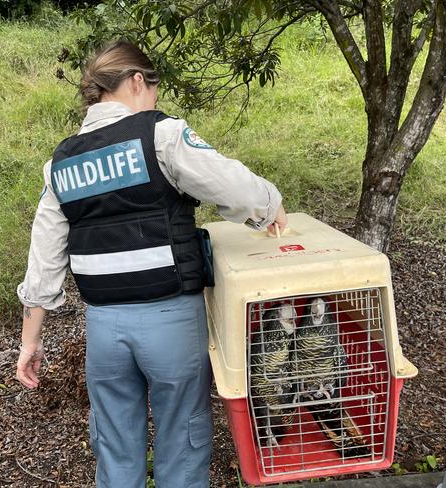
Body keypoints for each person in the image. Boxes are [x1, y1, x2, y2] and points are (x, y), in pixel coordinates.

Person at [15, 40, 287, 488]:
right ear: (138, 81)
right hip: (171, 322)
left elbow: (43, 260)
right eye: (154, 87)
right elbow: (234, 187)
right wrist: (270, 206)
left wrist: (30, 341)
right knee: (182, 443)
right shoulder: (160, 135)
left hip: (104, 330)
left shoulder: (59, 165)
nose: (155, 99)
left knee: (116, 447)